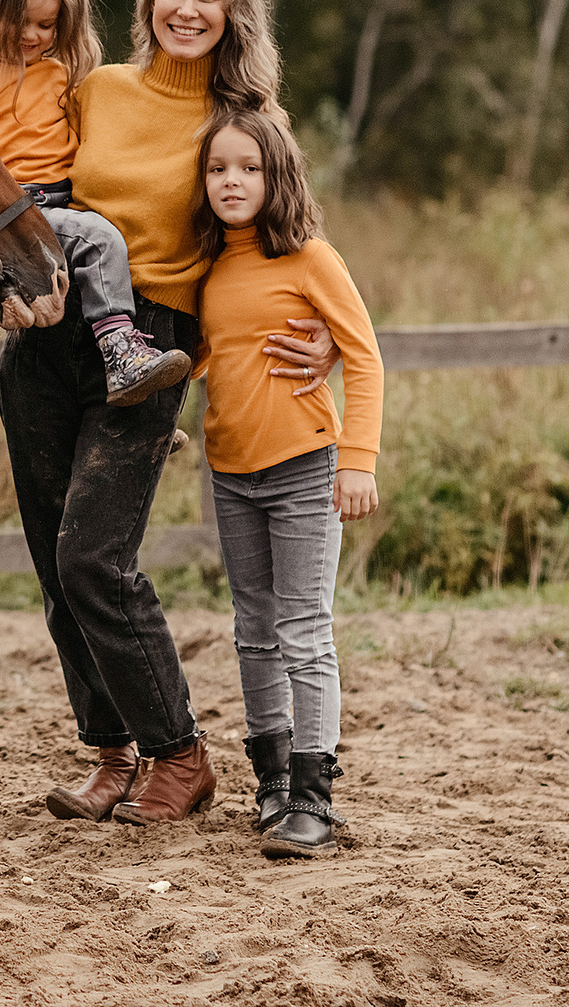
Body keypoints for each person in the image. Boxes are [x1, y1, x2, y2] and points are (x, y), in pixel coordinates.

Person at [0, 0, 337, 827]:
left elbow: (288, 243)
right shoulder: (96, 89)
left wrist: (332, 339)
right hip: (49, 335)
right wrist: (6, 285)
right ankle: (112, 754)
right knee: (52, 563)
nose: (187, 9)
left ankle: (180, 753)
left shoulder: (246, 122)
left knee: (93, 557)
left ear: (234, 11)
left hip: (152, 348)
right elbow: (36, 200)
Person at [189, 106, 383, 860]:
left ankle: (313, 797)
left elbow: (363, 356)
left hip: (305, 468)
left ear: (278, 176)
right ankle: (270, 779)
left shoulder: (310, 258)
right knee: (252, 631)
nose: (232, 180)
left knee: (304, 631)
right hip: (231, 475)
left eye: (249, 167)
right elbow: (209, 355)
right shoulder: (211, 267)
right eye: (217, 168)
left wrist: (357, 458)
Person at [0, 0, 191, 407]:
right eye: (19, 21)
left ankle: (129, 393)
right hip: (18, 207)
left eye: (45, 24)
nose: (32, 35)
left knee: (95, 273)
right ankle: (123, 357)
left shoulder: (65, 76)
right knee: (99, 239)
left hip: (66, 200)